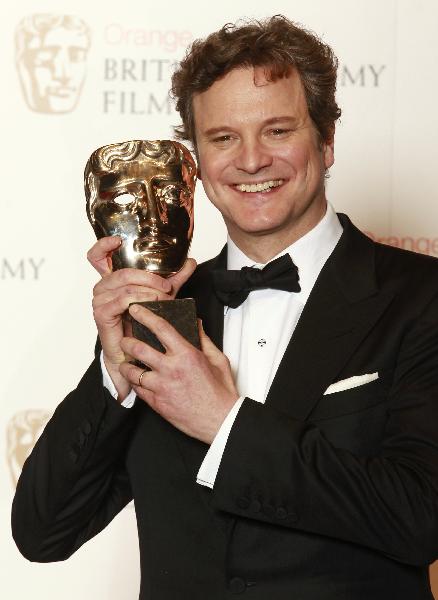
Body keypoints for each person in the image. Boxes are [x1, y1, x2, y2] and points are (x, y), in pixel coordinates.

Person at [12, 15, 438, 600]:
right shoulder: (164, 312)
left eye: (278, 130)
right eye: (223, 138)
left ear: (327, 141)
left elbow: (421, 518)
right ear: (198, 161)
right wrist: (115, 373)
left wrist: (224, 423)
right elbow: (43, 532)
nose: (252, 160)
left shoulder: (422, 297)